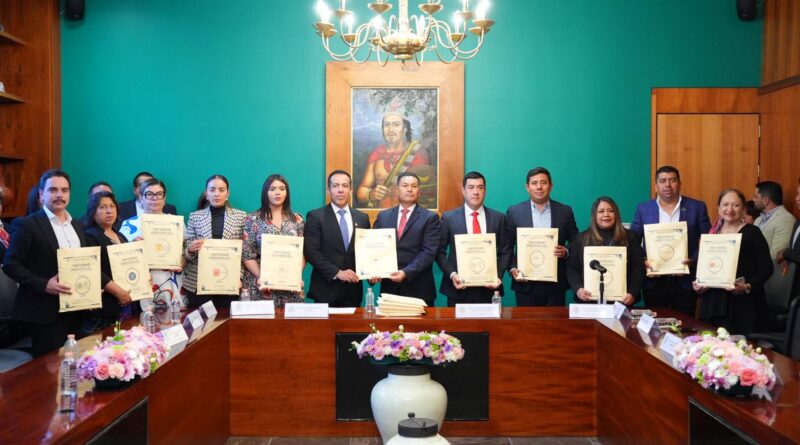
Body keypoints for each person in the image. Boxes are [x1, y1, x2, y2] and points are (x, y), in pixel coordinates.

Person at [3, 169, 107, 357]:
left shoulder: (77, 225)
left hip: (77, 309)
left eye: (64, 190)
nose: (59, 195)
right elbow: (11, 264)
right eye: (53, 190)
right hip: (44, 313)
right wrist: (45, 285)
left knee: (77, 364)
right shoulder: (27, 224)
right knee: (50, 370)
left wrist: (91, 289)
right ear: (41, 194)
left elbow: (83, 263)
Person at [629, 165, 711, 316]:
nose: (668, 185)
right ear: (656, 186)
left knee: (685, 323)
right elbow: (633, 241)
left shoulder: (697, 207)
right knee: (655, 323)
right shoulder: (643, 209)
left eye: (672, 180)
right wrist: (643, 260)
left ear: (679, 184)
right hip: (654, 280)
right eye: (663, 181)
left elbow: (709, 240)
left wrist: (693, 260)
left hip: (685, 279)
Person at [694, 189, 773, 336]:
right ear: (719, 208)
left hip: (742, 305)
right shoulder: (712, 234)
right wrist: (699, 284)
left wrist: (748, 286)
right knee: (711, 345)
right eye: (725, 204)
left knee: (739, 348)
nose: (729, 209)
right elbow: (704, 266)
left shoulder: (753, 232)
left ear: (743, 209)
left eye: (736, 205)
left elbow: (767, 268)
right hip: (713, 304)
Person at [505, 167, 578, 306]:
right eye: (534, 183)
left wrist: (566, 251)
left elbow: (577, 242)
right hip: (525, 283)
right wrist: (513, 268)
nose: (539, 187)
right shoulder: (514, 212)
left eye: (543, 182)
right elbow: (507, 246)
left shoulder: (565, 211)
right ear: (527, 187)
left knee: (554, 321)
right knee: (526, 321)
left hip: (555, 285)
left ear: (551, 186)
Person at [436, 171, 509, 306]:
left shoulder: (498, 218)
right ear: (463, 190)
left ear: (485, 191)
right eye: (471, 187)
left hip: (489, 290)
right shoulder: (449, 218)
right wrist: (452, 274)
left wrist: (497, 276)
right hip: (458, 289)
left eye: (480, 187)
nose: (476, 192)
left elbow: (505, 251)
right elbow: (439, 252)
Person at [304, 170, 371, 307]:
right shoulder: (316, 216)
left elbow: (366, 252)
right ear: (328, 190)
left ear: (351, 190)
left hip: (353, 292)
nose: (340, 190)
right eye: (335, 186)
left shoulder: (362, 218)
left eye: (345, 186)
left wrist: (373, 273)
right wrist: (337, 272)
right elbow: (311, 252)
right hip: (325, 291)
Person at [373, 172, 440, 306]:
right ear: (396, 190)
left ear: (418, 191)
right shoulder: (383, 216)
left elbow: (429, 252)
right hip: (389, 289)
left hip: (419, 289)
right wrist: (373, 271)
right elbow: (375, 247)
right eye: (405, 185)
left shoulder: (430, 218)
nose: (409, 189)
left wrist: (406, 272)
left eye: (414, 186)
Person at [118, 178, 184, 308]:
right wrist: (132, 246)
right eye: (149, 194)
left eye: (159, 194)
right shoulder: (128, 225)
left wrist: (180, 262)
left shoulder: (176, 222)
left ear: (164, 198)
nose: (155, 198)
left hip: (170, 280)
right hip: (141, 282)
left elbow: (184, 254)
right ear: (141, 197)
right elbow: (120, 259)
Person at [183, 175, 246, 309]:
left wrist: (239, 277)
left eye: (221, 190)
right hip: (199, 282)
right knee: (200, 321)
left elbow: (244, 252)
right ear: (206, 193)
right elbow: (187, 253)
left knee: (227, 320)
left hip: (229, 280)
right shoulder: (195, 216)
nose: (217, 194)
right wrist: (190, 249)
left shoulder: (241, 217)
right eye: (212, 190)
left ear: (227, 193)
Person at [242, 174, 305, 308]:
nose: (277, 192)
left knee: (290, 321)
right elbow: (247, 255)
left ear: (287, 192)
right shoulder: (252, 219)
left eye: (282, 189)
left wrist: (294, 275)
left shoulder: (297, 220)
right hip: (261, 284)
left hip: (290, 287)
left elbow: (303, 253)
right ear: (265, 192)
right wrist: (264, 277)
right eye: (272, 189)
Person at [567, 197, 644, 305]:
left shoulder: (630, 237)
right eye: (601, 211)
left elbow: (638, 268)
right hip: (589, 301)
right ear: (594, 215)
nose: (606, 215)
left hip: (622, 301)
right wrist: (578, 289)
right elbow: (572, 268)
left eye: (611, 211)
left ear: (616, 214)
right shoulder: (582, 238)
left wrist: (632, 292)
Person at [356, 107, 433, 208]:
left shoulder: (418, 154)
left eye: (396, 125)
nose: (390, 130)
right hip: (381, 214)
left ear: (405, 129)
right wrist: (370, 194)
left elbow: (427, 194)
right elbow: (361, 192)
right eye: (386, 125)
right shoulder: (377, 154)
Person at [82, 191, 134, 334]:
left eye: (112, 206)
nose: (109, 211)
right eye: (103, 207)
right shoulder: (89, 235)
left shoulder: (120, 235)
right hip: (104, 308)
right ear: (93, 212)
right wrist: (118, 292)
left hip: (125, 303)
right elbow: (93, 270)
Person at [753, 180, 797, 260]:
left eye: (755, 196)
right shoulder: (758, 220)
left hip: (769, 267)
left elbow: (776, 255)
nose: (753, 199)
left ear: (765, 200)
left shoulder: (786, 220)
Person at [776, 180, 800, 288]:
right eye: (798, 193)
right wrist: (786, 258)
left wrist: (785, 252)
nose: (797, 198)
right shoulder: (797, 223)